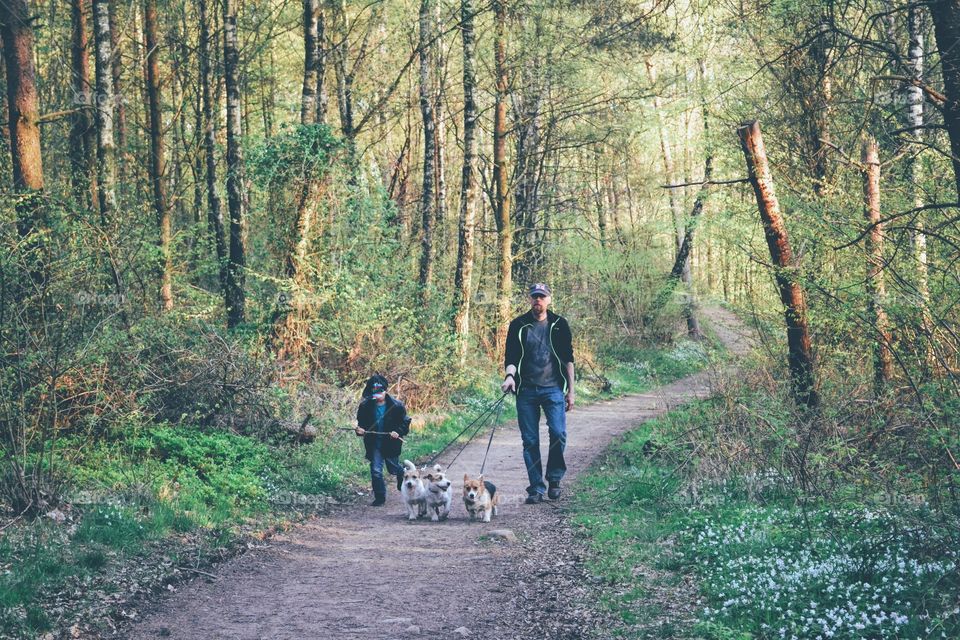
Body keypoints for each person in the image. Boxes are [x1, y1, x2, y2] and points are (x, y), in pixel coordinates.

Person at [500, 283, 575, 503]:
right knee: (530, 440)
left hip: (553, 388)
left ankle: (554, 479)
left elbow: (569, 360)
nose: (538, 301)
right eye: (534, 297)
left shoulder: (560, 325)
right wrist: (509, 377)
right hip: (526, 391)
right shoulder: (518, 325)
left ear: (549, 299)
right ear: (530, 300)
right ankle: (536, 487)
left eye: (542, 297)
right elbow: (511, 357)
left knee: (558, 433)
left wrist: (571, 392)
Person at [354, 374, 411, 506]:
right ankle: (380, 497)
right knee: (376, 470)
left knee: (393, 469)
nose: (377, 395)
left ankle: (401, 473)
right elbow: (361, 424)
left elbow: (405, 423)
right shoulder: (365, 406)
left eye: (380, 392)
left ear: (385, 390)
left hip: (391, 444)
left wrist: (398, 432)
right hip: (374, 443)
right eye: (374, 393)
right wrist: (360, 430)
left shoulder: (397, 406)